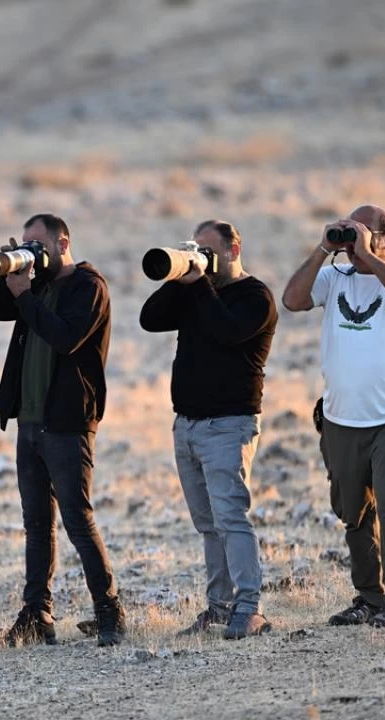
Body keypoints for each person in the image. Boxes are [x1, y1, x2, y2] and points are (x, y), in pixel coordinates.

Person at [0, 213, 125, 648]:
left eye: (38, 245)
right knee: (37, 524)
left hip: (68, 422)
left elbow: (66, 338)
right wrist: (11, 267)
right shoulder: (34, 283)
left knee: (78, 520)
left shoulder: (88, 286)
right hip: (30, 422)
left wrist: (25, 295)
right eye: (27, 243)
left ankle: (109, 611)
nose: (34, 252)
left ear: (63, 243)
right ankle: (37, 614)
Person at [280, 204, 385, 627]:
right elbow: (292, 300)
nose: (353, 242)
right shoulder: (332, 277)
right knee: (355, 513)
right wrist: (321, 250)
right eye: (348, 233)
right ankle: (371, 598)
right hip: (341, 417)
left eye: (363, 232)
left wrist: (368, 256)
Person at [139, 220, 277, 640]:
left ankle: (249, 608)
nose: (202, 256)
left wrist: (200, 284)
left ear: (234, 250)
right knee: (208, 524)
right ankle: (218, 608)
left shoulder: (256, 297)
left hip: (228, 425)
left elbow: (229, 331)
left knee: (231, 518)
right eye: (196, 249)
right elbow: (149, 318)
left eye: (208, 250)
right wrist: (181, 274)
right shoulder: (194, 291)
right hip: (188, 426)